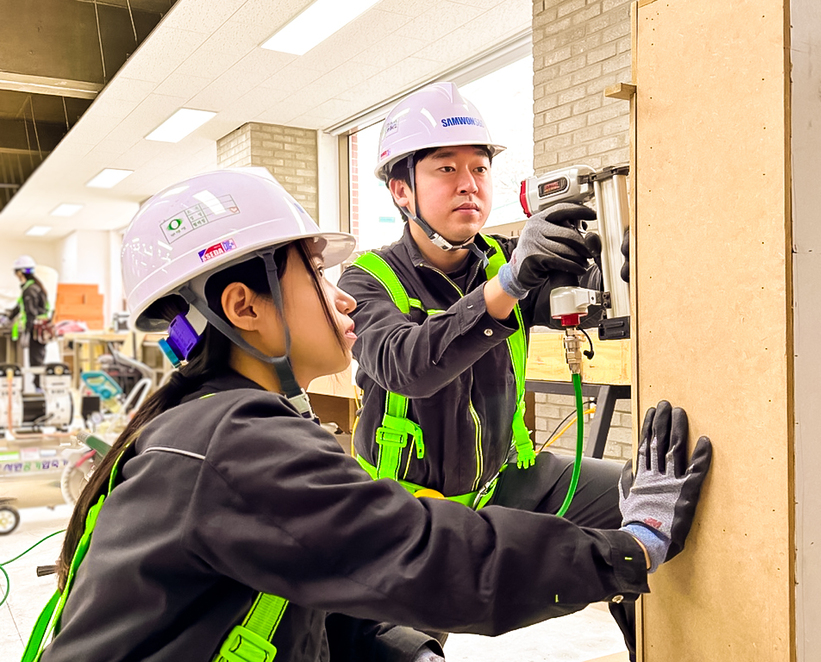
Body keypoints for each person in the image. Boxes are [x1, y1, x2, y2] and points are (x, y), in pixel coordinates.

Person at [23, 168, 712, 662]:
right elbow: (422, 552)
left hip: (502, 475)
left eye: (481, 167)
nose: (339, 295)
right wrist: (634, 547)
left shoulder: (209, 423)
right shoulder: (233, 442)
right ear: (243, 307)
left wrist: (400, 648)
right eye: (314, 271)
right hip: (432, 494)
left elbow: (310, 587)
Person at [336, 82, 641, 657]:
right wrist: (508, 284)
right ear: (402, 191)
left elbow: (572, 299)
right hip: (411, 508)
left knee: (643, 496)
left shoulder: (502, 261)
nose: (468, 183)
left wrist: (612, 261)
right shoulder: (366, 280)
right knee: (411, 649)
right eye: (446, 169)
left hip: (509, 478)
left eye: (479, 168)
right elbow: (410, 366)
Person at [5, 255, 51, 370]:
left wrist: (27, 330)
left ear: (20, 273)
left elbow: (31, 312)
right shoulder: (34, 287)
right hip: (41, 327)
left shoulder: (30, 290)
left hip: (35, 329)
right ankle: (37, 384)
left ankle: (38, 386)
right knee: (37, 358)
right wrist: (9, 316)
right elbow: (20, 306)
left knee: (35, 360)